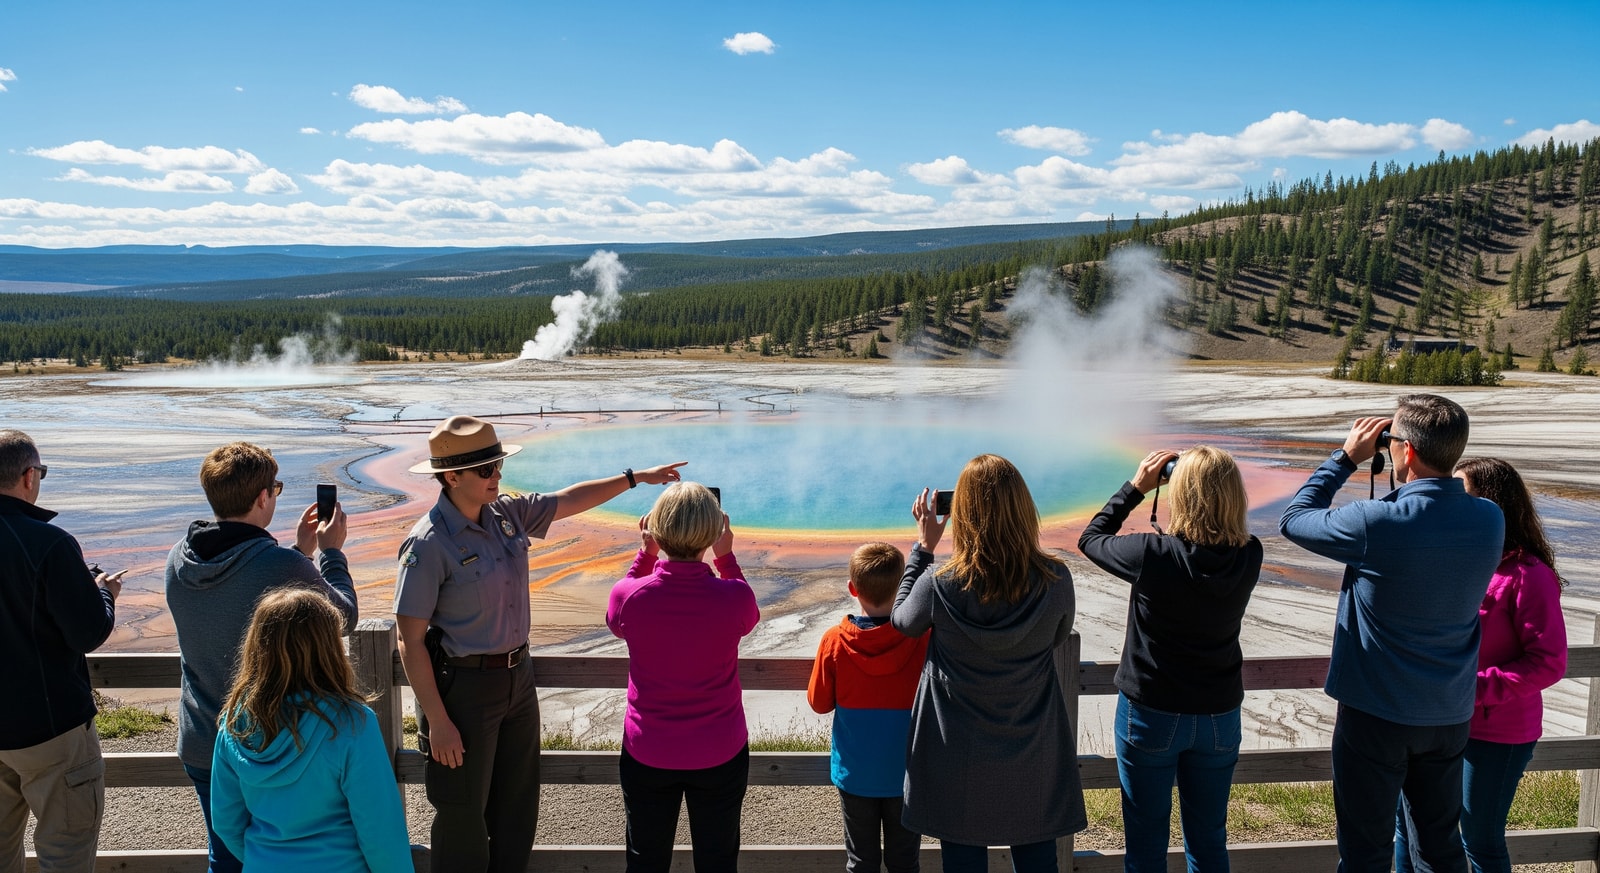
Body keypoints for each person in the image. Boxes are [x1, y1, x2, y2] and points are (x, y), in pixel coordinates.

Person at [394, 414, 685, 873]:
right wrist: (438, 720)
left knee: (517, 810)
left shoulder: (506, 515)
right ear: (452, 476)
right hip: (464, 690)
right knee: (462, 816)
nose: (497, 476)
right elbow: (409, 641)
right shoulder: (428, 543)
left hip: (517, 679)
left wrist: (635, 478)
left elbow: (569, 498)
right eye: (486, 469)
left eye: (498, 466)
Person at [1278, 394, 1504, 873]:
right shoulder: (1490, 518)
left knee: (1366, 851)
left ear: (1407, 452)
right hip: (1448, 713)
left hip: (1376, 714)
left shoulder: (1377, 522)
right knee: (1440, 848)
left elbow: (1293, 520)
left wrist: (1345, 458)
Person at [165, 441, 357, 873]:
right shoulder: (278, 565)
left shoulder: (180, 557)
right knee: (289, 855)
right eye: (276, 487)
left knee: (228, 856)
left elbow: (243, 594)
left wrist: (299, 554)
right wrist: (330, 554)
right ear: (263, 498)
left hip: (202, 739)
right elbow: (343, 617)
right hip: (269, 743)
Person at [891, 454, 1085, 873]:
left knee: (962, 858)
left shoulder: (941, 584)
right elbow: (1056, 636)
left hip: (956, 749)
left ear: (961, 515)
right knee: (1037, 857)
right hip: (1032, 742)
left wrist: (923, 549)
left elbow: (903, 621)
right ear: (1023, 509)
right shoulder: (1056, 580)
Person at [1078, 446, 1263, 872]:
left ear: (1181, 494)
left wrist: (1137, 487)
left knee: (1145, 845)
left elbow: (1091, 539)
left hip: (1151, 712)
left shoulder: (1152, 555)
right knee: (1209, 841)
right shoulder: (1249, 554)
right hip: (1218, 714)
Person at [1395, 457, 1568, 873]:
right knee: (1407, 827)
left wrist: (1471, 689)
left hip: (1496, 732)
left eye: (1462, 494)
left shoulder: (1528, 574)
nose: (1450, 503)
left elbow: (1548, 662)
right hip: (1435, 722)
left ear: (1492, 505)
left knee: (1478, 839)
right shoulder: (1454, 559)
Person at [606, 482, 759, 873]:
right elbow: (748, 611)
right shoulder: (733, 598)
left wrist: (645, 553)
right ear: (714, 532)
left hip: (649, 749)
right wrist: (725, 557)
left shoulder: (630, 597)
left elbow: (616, 616)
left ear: (655, 529)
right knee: (718, 859)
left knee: (645, 859)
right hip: (719, 749)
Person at [209, 588, 412, 872]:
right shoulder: (352, 724)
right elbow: (380, 831)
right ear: (327, 649)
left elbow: (225, 822)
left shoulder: (234, 724)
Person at [0, 430, 121, 873]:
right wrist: (105, 594)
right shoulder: (49, 543)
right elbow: (87, 632)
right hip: (51, 728)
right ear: (29, 476)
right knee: (65, 854)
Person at [808, 542, 929, 873]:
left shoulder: (834, 641)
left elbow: (819, 703)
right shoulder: (921, 638)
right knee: (905, 861)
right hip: (906, 772)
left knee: (861, 861)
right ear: (903, 585)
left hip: (856, 773)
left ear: (852, 588)